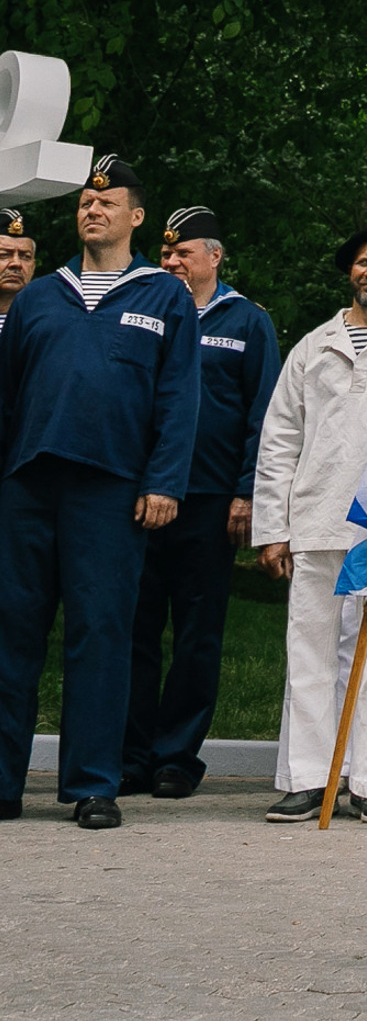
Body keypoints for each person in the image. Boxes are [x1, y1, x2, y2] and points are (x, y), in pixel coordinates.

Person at [0, 157, 198, 829]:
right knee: (10, 635)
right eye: (86, 201)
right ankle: (2, 782)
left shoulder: (163, 295)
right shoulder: (38, 297)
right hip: (27, 487)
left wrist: (165, 480)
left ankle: (91, 785)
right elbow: (6, 400)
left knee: (101, 634)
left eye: (108, 202)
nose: (93, 209)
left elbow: (178, 397)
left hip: (112, 492)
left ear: (136, 217)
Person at [251, 221, 367, 823]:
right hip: (318, 518)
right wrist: (273, 528)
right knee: (311, 652)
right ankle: (309, 778)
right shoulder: (314, 346)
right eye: (362, 263)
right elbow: (279, 441)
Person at [123, 203, 279, 799]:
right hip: (141, 496)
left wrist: (247, 493)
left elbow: (264, 415)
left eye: (183, 253)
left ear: (214, 257)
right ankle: (130, 755)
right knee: (134, 628)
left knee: (197, 632)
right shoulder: (142, 311)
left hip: (212, 499)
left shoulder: (246, 321)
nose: (171, 262)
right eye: (165, 253)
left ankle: (175, 757)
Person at [0, 204, 34, 331]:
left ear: (33, 266)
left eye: (25, 256)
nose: (16, 263)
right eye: (4, 255)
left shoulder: (47, 321)